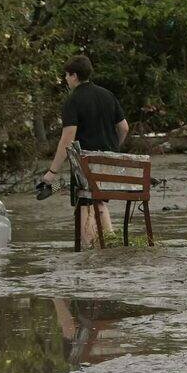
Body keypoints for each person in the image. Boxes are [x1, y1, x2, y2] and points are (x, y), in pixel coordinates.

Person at [40, 55, 129, 248]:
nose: (65, 79)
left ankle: (89, 251)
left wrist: (52, 172)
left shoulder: (73, 101)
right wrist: (113, 150)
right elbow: (124, 128)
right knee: (99, 203)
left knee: (85, 205)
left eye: (66, 75)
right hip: (109, 165)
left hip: (85, 167)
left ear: (74, 76)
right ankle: (110, 245)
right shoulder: (108, 95)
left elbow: (67, 139)